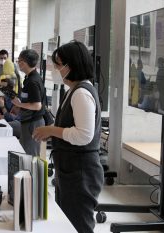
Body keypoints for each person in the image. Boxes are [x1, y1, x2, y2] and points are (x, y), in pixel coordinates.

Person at [32, 41, 104, 233]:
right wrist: (51, 129)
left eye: (58, 65)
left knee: (78, 224)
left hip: (81, 171)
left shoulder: (81, 93)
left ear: (70, 66)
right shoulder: (73, 90)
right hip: (69, 168)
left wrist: (51, 131)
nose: (55, 69)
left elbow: (84, 135)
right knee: (68, 222)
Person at [12, 49, 45, 156]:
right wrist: (18, 107)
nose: (18, 63)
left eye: (19, 60)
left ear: (25, 62)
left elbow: (37, 105)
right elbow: (28, 99)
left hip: (33, 123)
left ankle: (31, 173)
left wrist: (19, 104)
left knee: (30, 156)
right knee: (26, 153)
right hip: (28, 121)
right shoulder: (28, 78)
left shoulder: (33, 81)